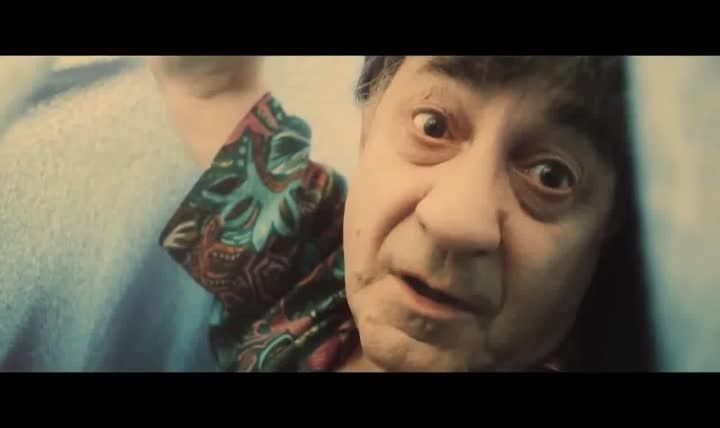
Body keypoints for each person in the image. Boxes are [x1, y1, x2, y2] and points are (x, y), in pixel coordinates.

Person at [150, 56, 655, 372]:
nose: (456, 221)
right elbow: (209, 90)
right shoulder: (318, 265)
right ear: (368, 127)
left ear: (608, 228)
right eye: (433, 126)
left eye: (551, 176)